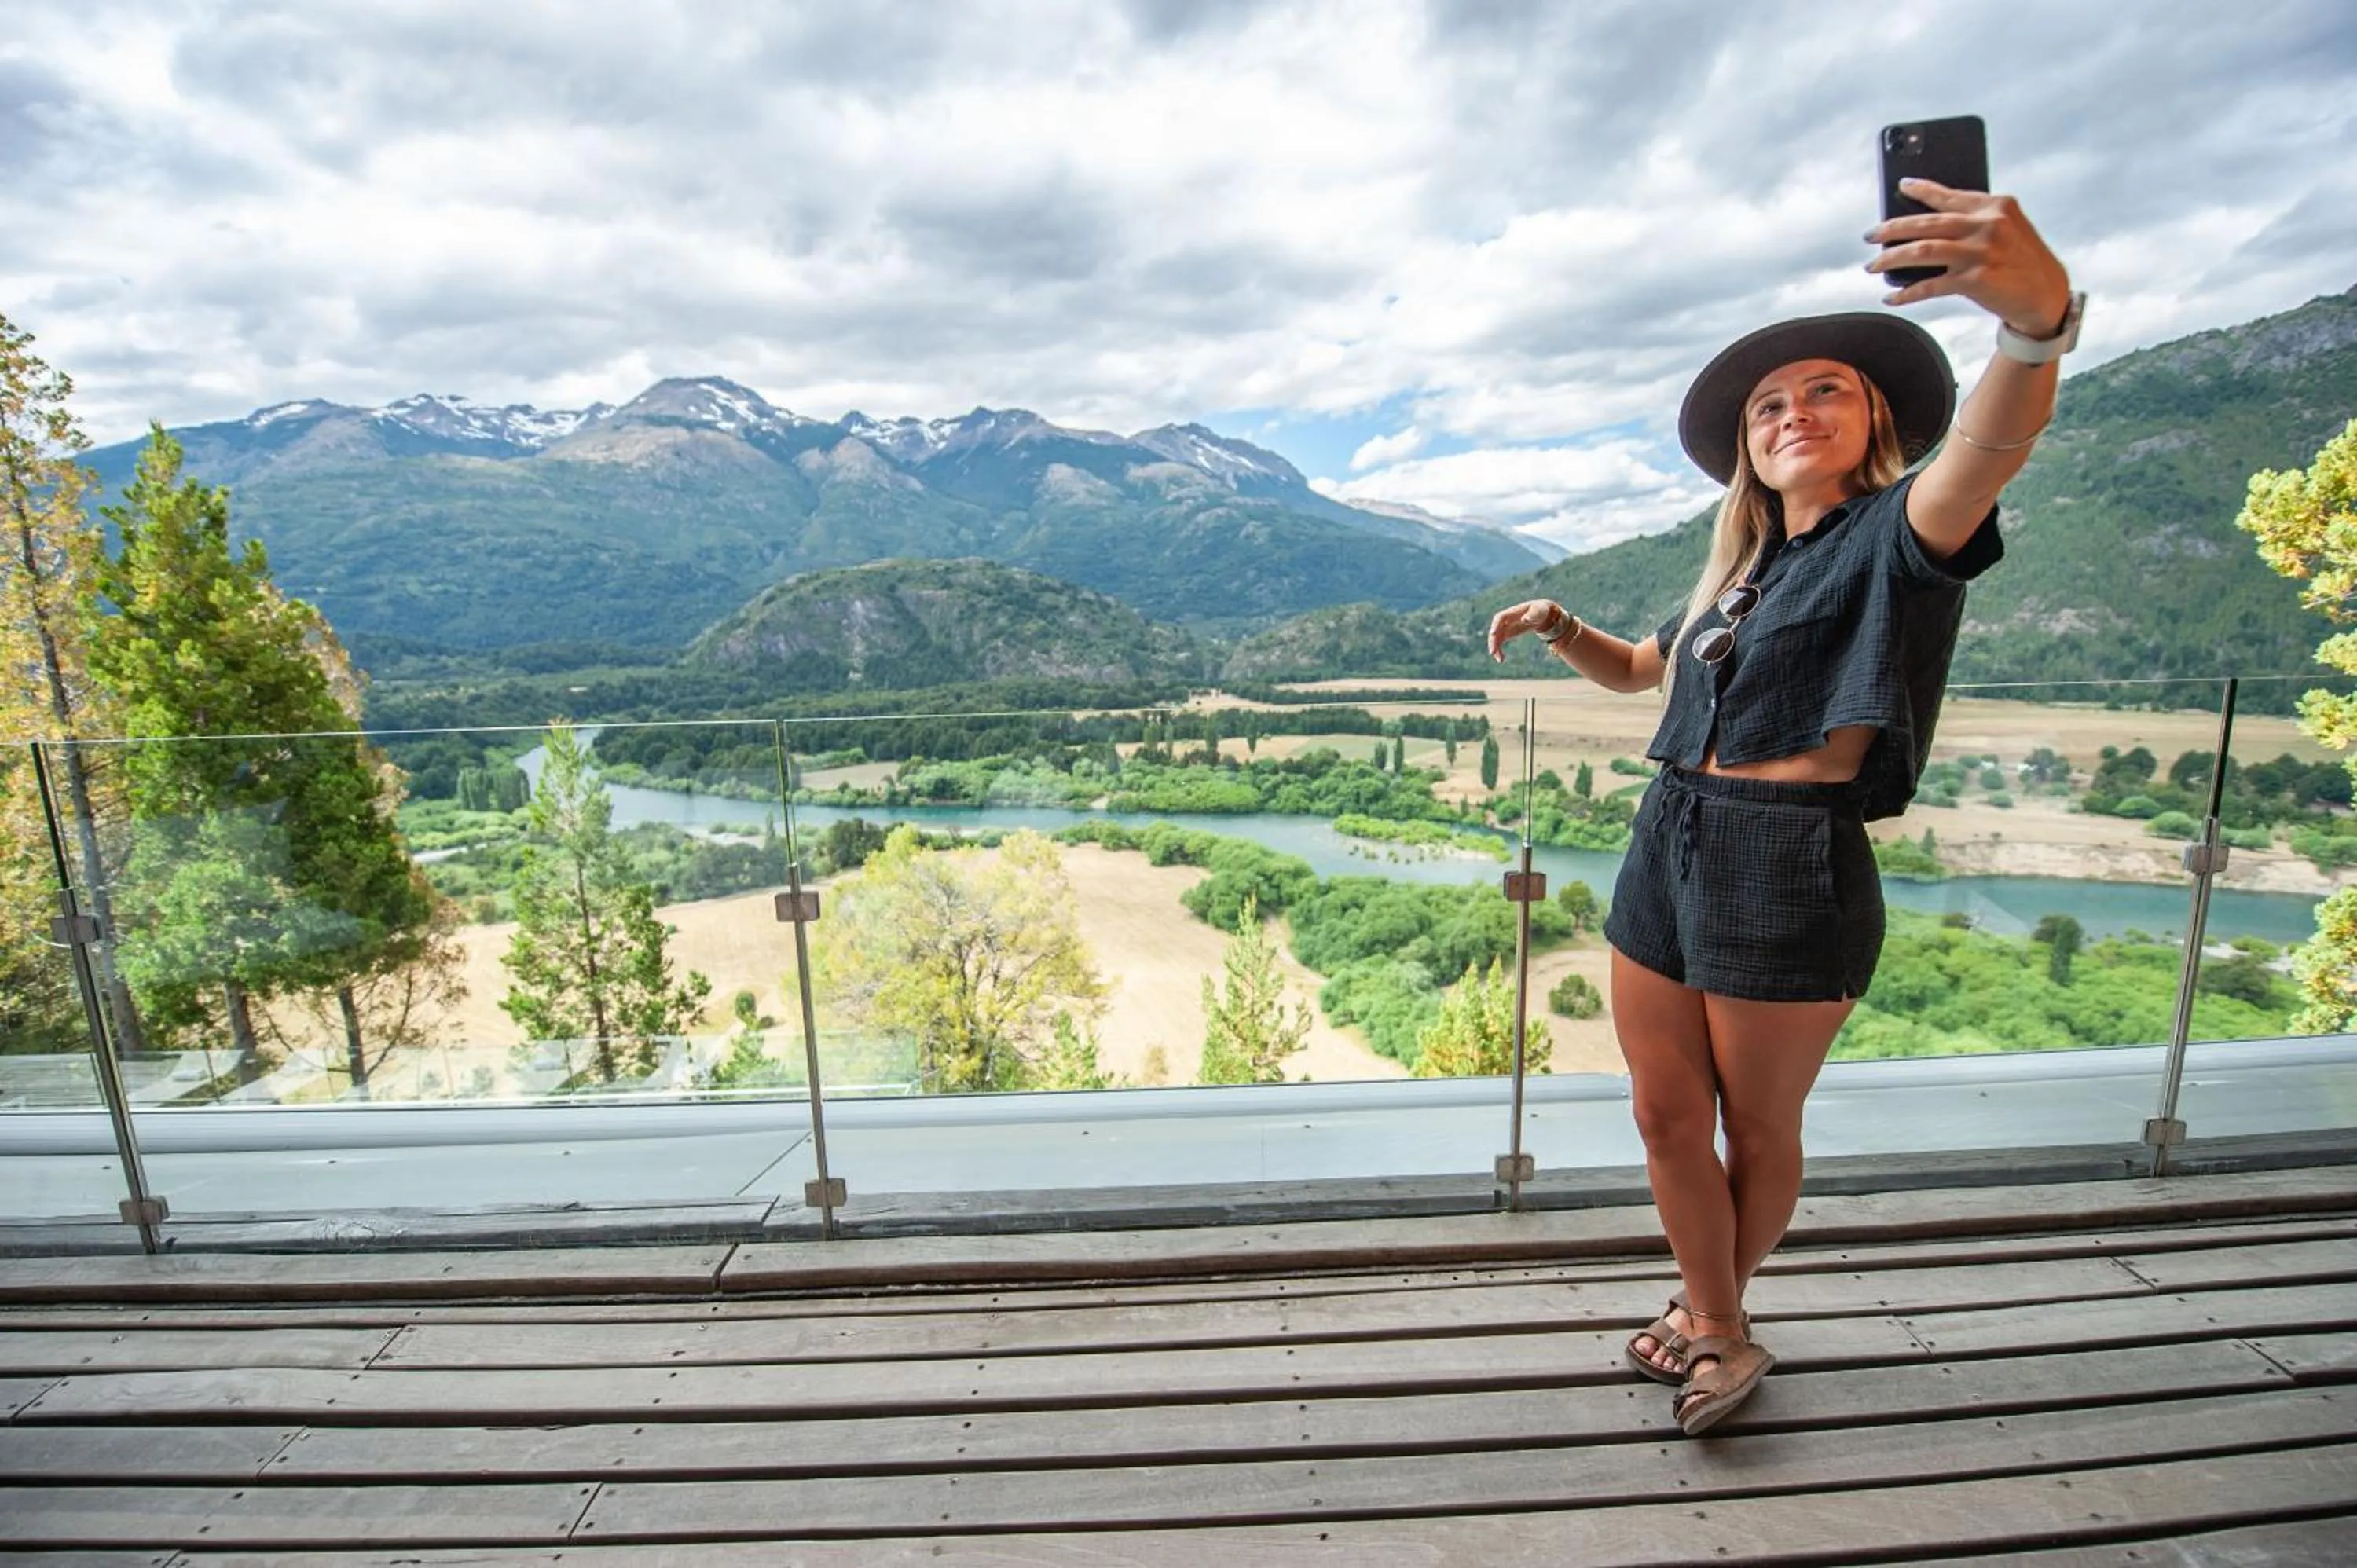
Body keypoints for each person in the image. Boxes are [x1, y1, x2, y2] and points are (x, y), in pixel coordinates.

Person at [1485, 177, 2080, 1436]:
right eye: (1768, 404)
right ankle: (1714, 1315)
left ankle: (1718, 1325)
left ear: (1872, 425)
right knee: (1659, 1112)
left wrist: (2033, 328)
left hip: (1787, 857)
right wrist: (1563, 628)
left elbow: (1992, 441)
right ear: (1747, 448)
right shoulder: (1742, 571)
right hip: (1670, 839)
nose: (1792, 412)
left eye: (1825, 390)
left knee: (1755, 1126)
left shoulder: (1898, 535)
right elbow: (1649, 672)